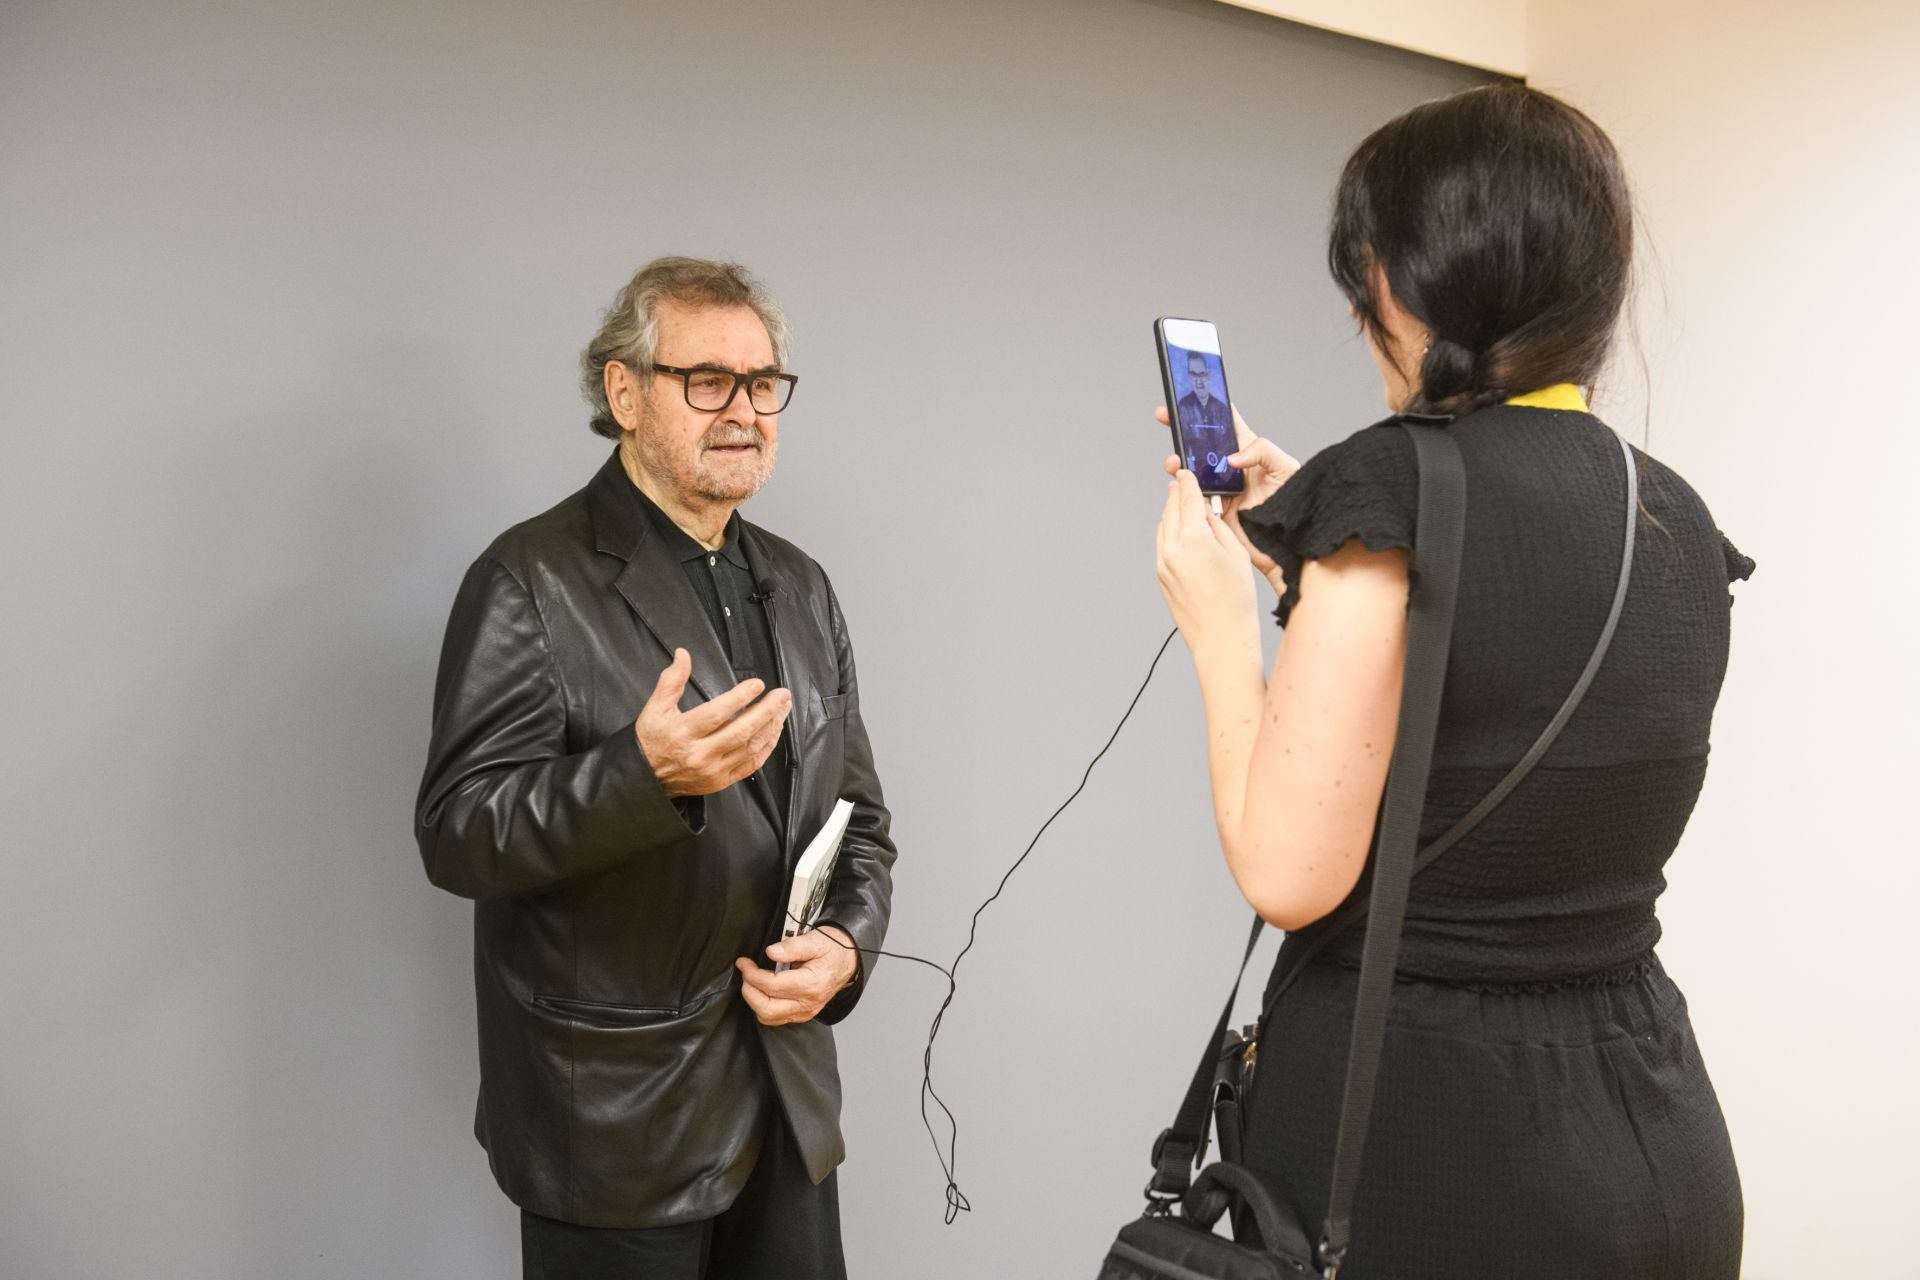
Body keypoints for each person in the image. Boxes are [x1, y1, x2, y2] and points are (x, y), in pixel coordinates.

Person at [1152, 84, 1748, 1278]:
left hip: (1436, 1141)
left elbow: (1288, 871)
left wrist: (1221, 628)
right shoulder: (1672, 508)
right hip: (1654, 1128)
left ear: (1408, 277)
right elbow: (1506, 686)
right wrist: (1331, 526)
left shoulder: (1390, 493)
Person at [415, 256, 895, 1280]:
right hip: (617, 1125)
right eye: (708, 380)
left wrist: (849, 947)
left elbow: (859, 822)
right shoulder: (527, 581)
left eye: (764, 383)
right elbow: (458, 829)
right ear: (625, 392)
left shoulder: (803, 587)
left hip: (787, 1103)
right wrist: (644, 777)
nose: (747, 410)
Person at [1174, 348, 1236, 482]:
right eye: (1193, 375)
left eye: (1202, 374)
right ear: (1189, 377)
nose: (1198, 381)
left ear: (1208, 375)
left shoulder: (1221, 408)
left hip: (1225, 479)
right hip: (1197, 479)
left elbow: (1229, 449)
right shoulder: (1183, 408)